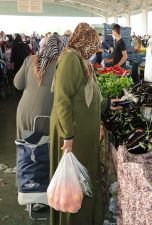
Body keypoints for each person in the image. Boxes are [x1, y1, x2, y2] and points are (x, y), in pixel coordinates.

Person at [49, 22, 107, 225]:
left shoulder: (82, 61)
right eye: (93, 43)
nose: (94, 48)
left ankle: (86, 219)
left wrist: (109, 104)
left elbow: (88, 96)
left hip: (83, 135)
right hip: (74, 135)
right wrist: (68, 135)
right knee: (73, 184)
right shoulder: (70, 59)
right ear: (84, 41)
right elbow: (62, 99)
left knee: (83, 180)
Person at [13, 34, 67, 139]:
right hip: (46, 115)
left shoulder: (30, 60)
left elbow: (18, 84)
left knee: (25, 149)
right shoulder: (62, 65)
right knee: (43, 151)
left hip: (24, 113)